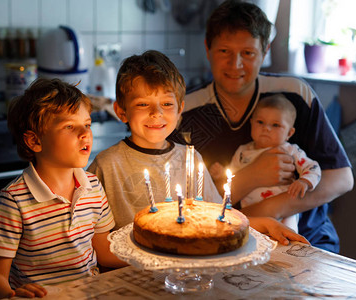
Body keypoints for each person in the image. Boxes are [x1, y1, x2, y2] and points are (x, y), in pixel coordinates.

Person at [170, 0, 353, 253]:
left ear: (265, 52)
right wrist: (252, 177)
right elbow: (182, 203)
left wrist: (271, 209)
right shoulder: (184, 112)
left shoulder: (294, 94)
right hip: (226, 243)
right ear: (207, 48)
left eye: (248, 53)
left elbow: (341, 178)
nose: (235, 65)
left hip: (308, 240)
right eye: (224, 51)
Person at [88, 50, 308, 246]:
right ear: (121, 111)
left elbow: (216, 218)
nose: (157, 113)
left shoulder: (190, 159)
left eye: (167, 104)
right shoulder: (107, 166)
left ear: (180, 109)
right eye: (143, 104)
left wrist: (264, 223)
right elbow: (88, 237)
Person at [0, 78, 125, 300]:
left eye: (87, 124)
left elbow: (104, 252)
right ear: (35, 141)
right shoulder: (14, 200)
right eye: (69, 126)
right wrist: (11, 295)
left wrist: (153, 258)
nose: (85, 133)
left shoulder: (93, 186)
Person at [210, 94, 321, 233]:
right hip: (254, 213)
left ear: (289, 133)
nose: (266, 128)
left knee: (288, 239)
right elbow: (234, 175)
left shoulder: (290, 151)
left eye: (275, 125)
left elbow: (313, 167)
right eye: (260, 122)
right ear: (251, 123)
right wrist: (221, 174)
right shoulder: (243, 151)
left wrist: (304, 181)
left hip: (284, 213)